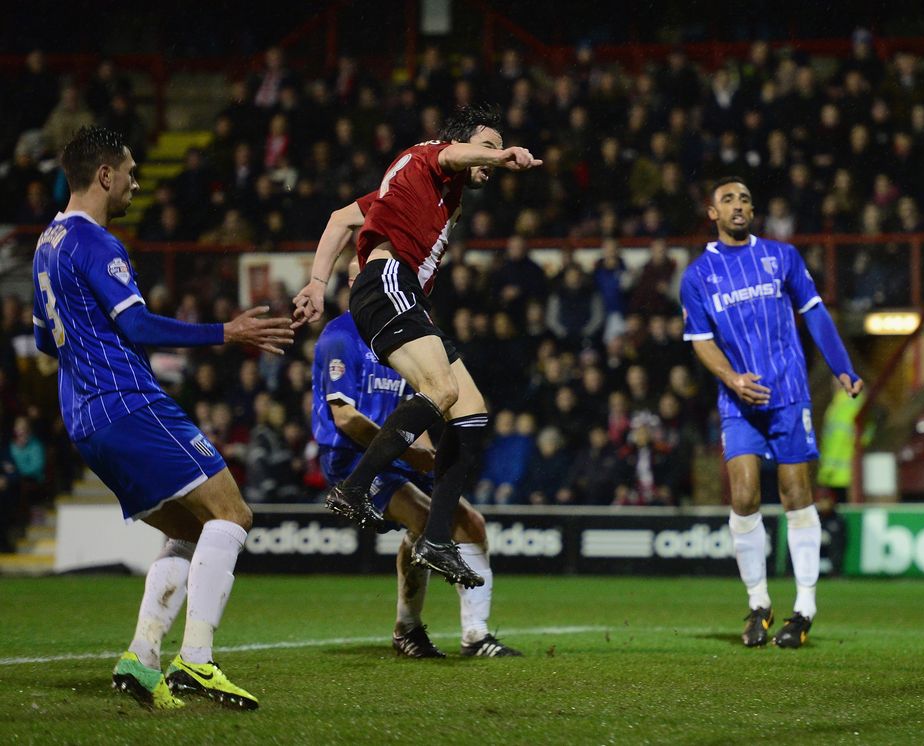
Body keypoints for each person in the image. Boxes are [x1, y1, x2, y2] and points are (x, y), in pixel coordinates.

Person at [31, 127, 294, 710]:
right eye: (129, 172)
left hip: (83, 419)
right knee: (232, 512)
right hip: (127, 402)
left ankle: (142, 657)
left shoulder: (46, 244)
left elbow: (44, 340)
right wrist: (229, 331)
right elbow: (139, 326)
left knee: (190, 528)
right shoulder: (95, 243)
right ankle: (196, 662)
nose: (136, 183)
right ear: (104, 175)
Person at [292, 104, 541, 588]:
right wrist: (500, 154)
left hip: (402, 293)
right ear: (462, 145)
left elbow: (342, 218)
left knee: (469, 410)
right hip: (387, 280)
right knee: (441, 390)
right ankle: (355, 486)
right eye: (484, 146)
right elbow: (452, 155)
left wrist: (316, 283)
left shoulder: (422, 190)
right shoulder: (429, 156)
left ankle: (435, 540)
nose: (487, 158)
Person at [679, 176, 863, 649]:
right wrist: (733, 380)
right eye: (727, 199)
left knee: (796, 492)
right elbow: (700, 342)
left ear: (752, 210)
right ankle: (759, 603)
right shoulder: (698, 276)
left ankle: (804, 608)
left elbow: (816, 312)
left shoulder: (782, 256)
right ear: (712, 213)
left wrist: (841, 367)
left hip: (789, 395)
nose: (738, 206)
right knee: (742, 495)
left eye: (744, 199)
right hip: (739, 402)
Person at [312, 266, 520, 657]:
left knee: (469, 524)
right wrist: (410, 453)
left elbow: (417, 410)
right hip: (352, 459)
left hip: (398, 453)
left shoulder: (401, 335)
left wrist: (429, 458)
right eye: (361, 275)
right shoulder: (340, 337)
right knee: (426, 521)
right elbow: (345, 418)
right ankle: (409, 630)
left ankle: (475, 635)